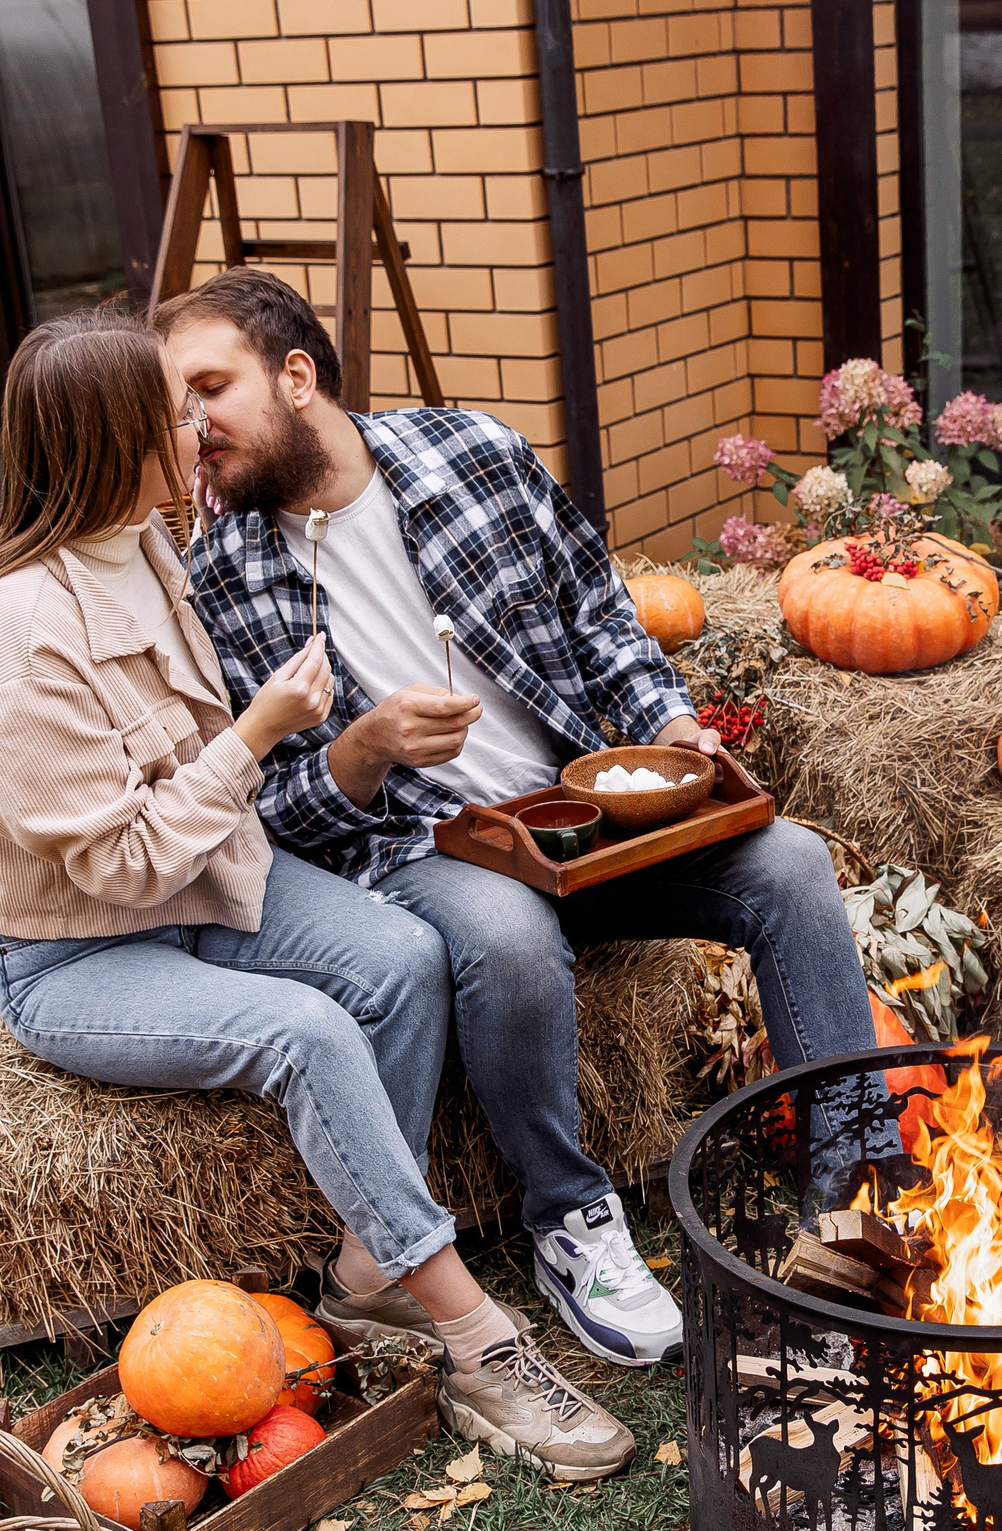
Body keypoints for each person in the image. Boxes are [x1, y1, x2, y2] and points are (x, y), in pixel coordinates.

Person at [0, 309, 634, 1482]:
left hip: (205, 882)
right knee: (308, 1034)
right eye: (172, 415)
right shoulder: (15, 638)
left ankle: (366, 1279)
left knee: (403, 956)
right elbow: (121, 866)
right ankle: (475, 1338)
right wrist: (259, 735)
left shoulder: (152, 548)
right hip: (82, 954)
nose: (198, 425)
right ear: (117, 442)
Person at [157, 268, 879, 1367]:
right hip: (420, 847)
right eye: (174, 405)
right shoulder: (219, 577)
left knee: (785, 865)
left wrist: (670, 725)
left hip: (585, 813)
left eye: (209, 388)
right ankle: (571, 1219)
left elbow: (603, 622)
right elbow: (275, 821)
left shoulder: (476, 457)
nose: (190, 427)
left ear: (296, 377)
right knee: (501, 932)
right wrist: (360, 750)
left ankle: (853, 1187)